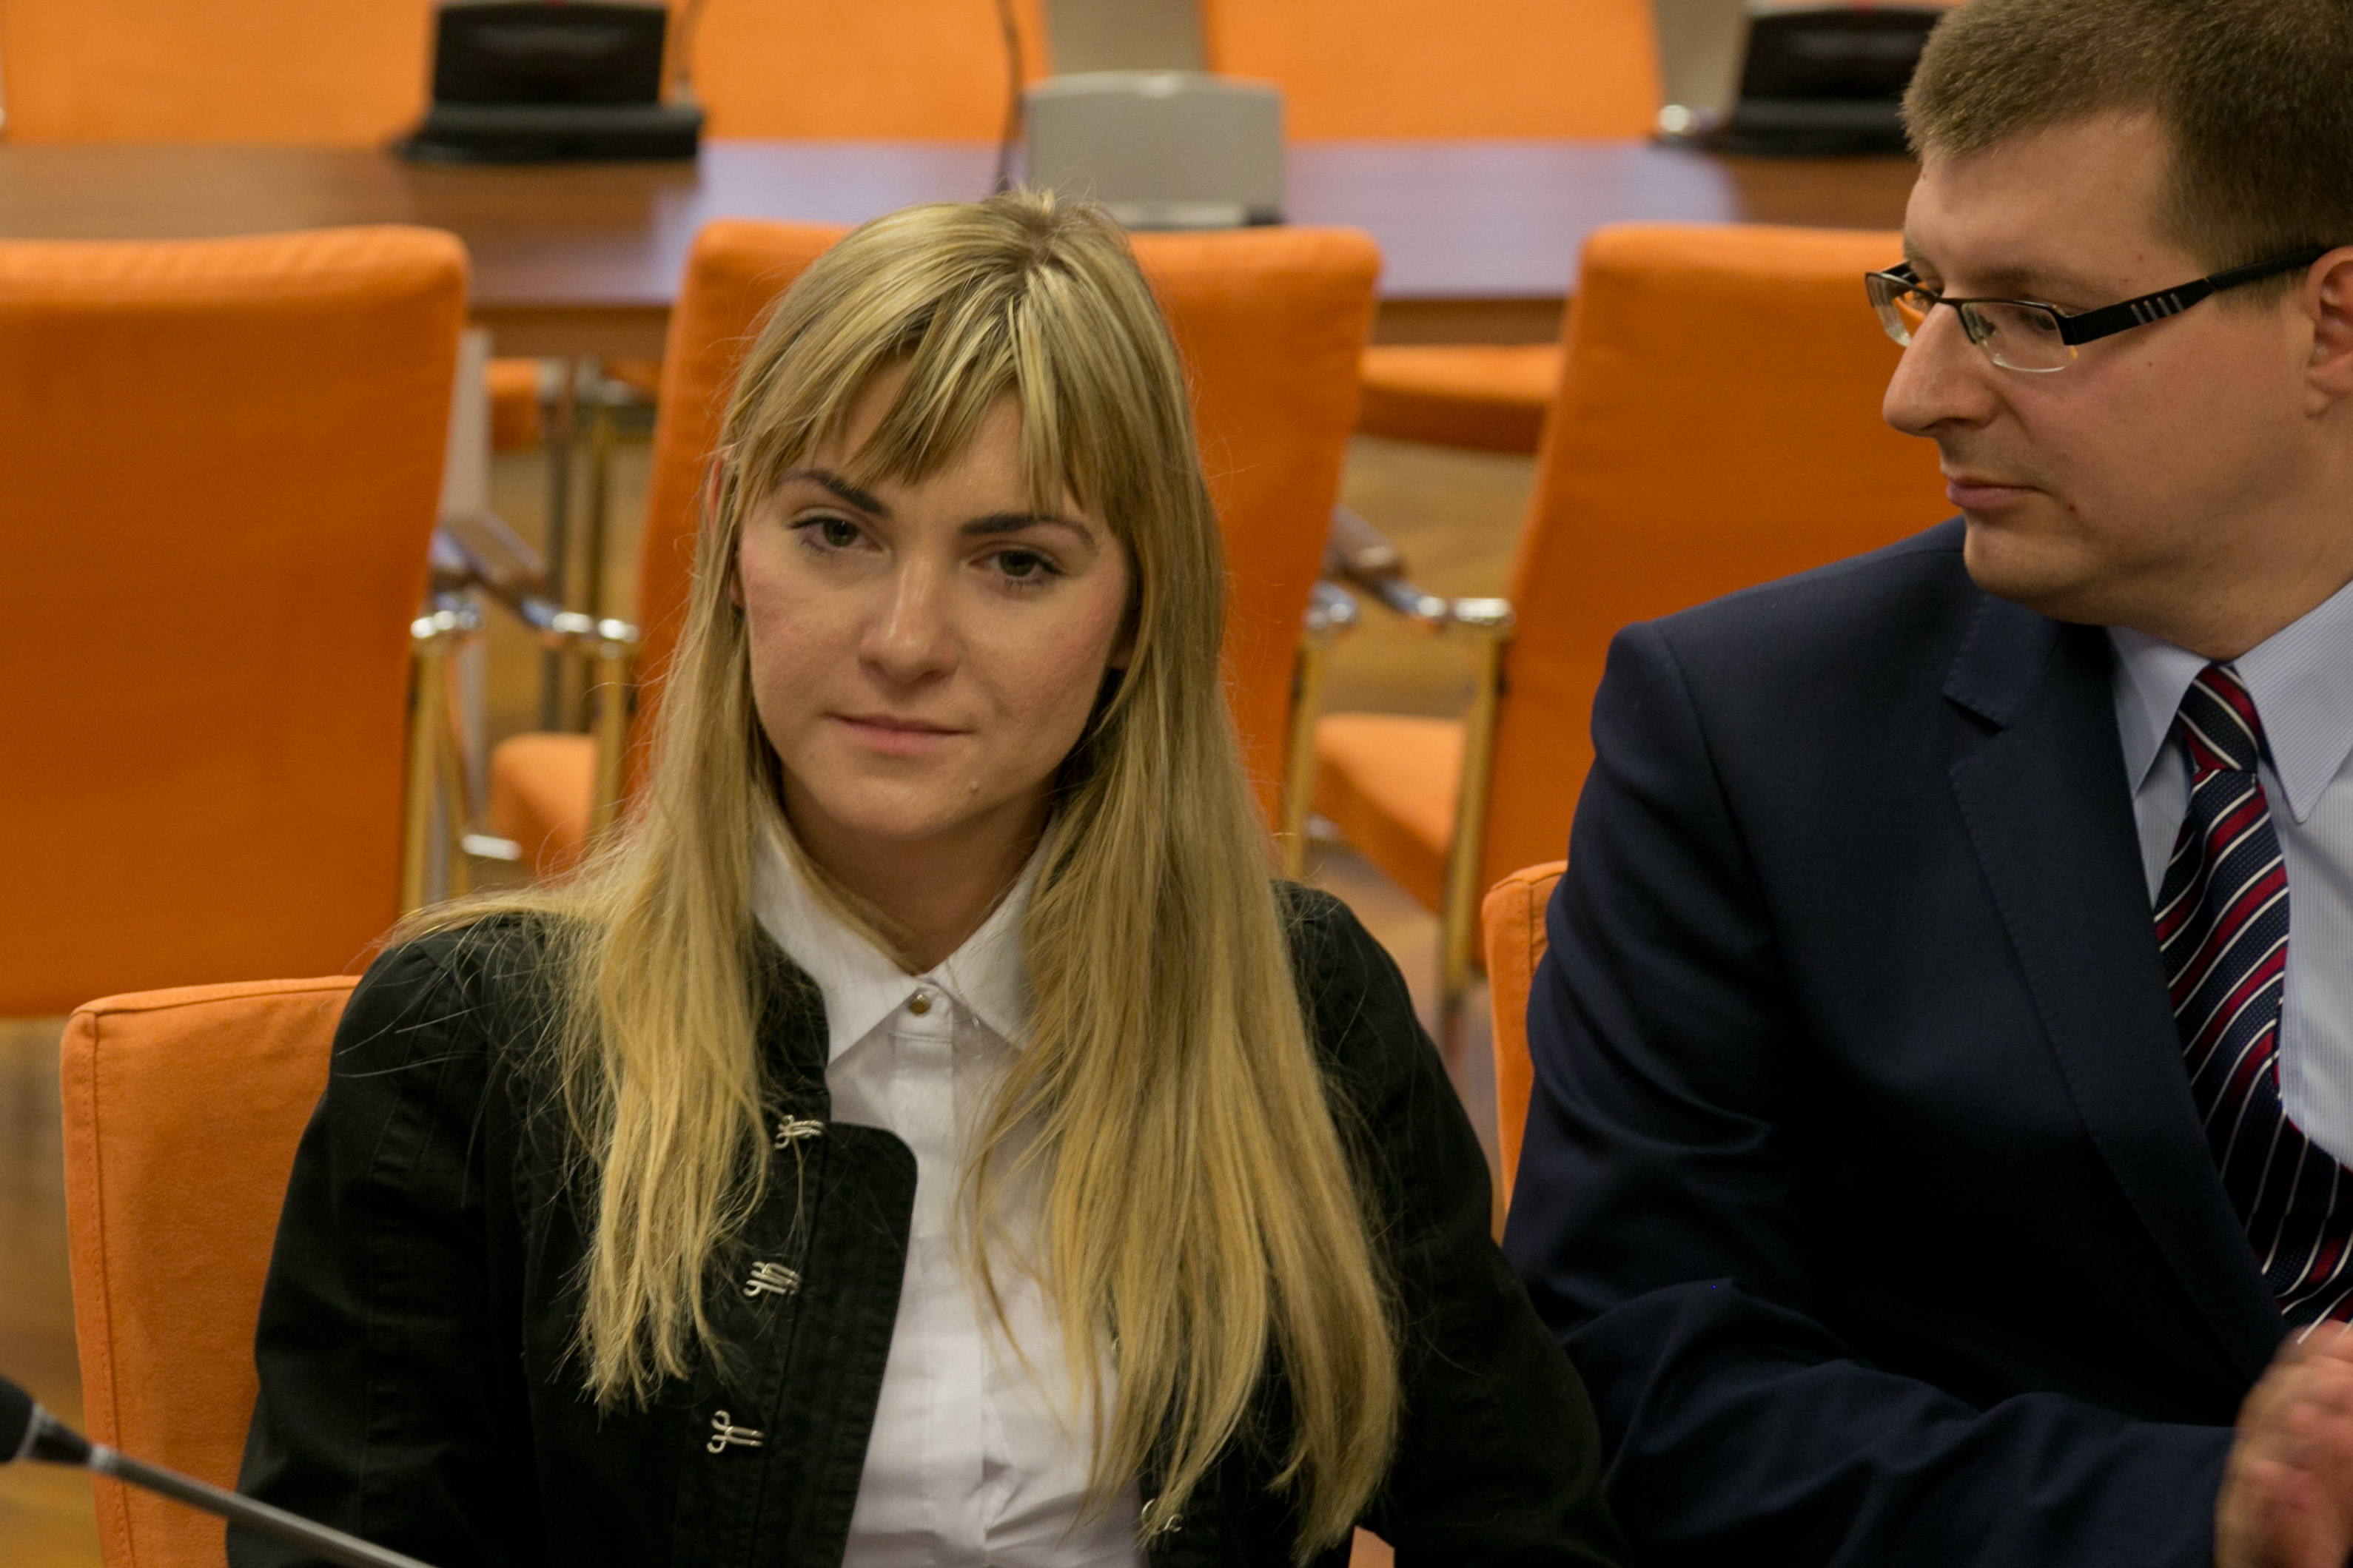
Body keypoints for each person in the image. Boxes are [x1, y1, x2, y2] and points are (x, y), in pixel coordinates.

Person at [231, 193, 1626, 1568]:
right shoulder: (473, 1043)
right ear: (730, 542)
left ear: (1137, 611)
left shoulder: (1302, 1007)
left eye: (1015, 563)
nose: (906, 641)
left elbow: (1531, 1526)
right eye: (836, 534)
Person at [1502, 0, 2353, 1563]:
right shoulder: (1752, 737)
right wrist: (2214, 1518)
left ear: (2333, 323)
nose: (1922, 393)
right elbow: (1637, 1384)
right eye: (1924, 297)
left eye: (2033, 314)